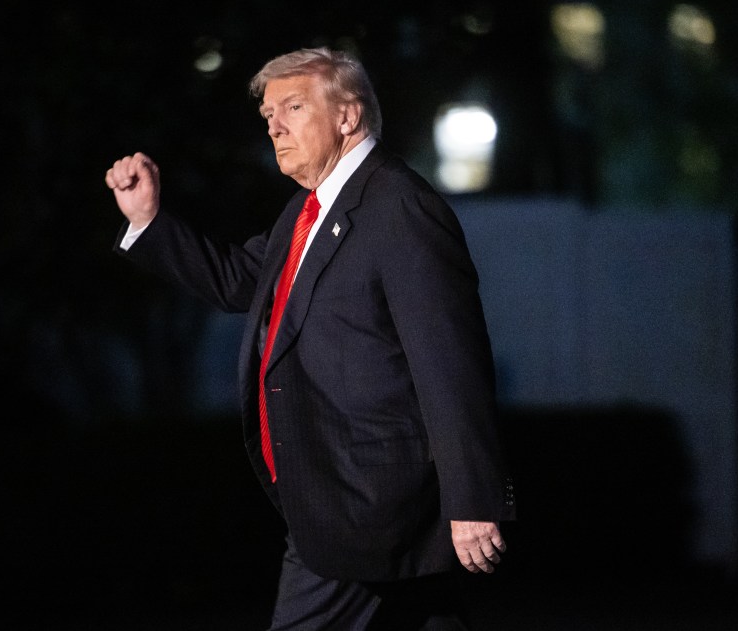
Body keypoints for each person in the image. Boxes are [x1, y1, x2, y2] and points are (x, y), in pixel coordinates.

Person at [105, 46, 516, 630]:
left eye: (292, 107)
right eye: (268, 115)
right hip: (339, 496)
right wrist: (147, 220)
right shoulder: (309, 209)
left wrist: (473, 499)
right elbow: (238, 281)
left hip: (367, 501)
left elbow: (450, 362)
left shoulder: (399, 207)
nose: (274, 125)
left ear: (347, 116)